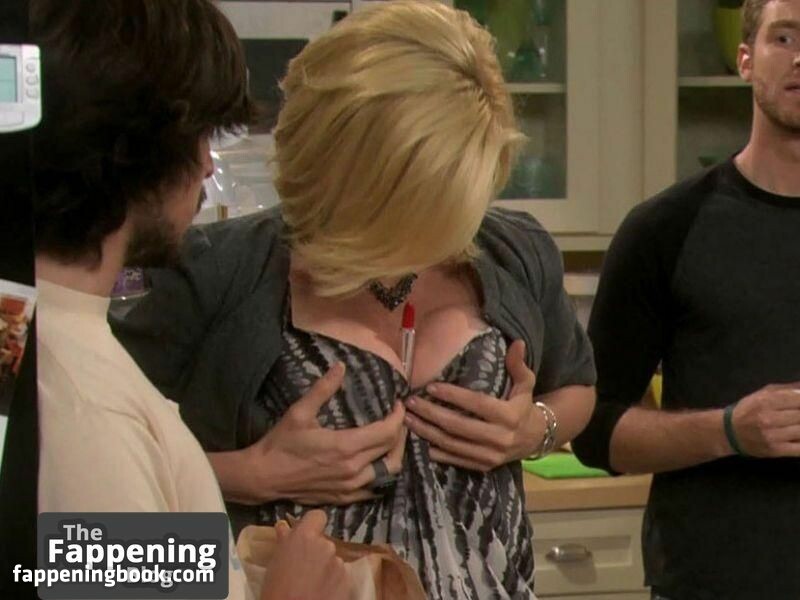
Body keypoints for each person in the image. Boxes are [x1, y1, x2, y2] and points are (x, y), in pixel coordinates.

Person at [111, 2, 596, 598]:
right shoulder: (212, 272)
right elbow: (83, 544)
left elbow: (578, 389)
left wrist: (534, 431)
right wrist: (250, 475)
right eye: (405, 203)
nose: (427, 235)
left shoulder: (514, 251)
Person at [31, 1, 350, 599]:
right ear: (137, 145)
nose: (207, 164)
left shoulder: (67, 349)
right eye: (200, 135)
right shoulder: (88, 412)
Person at [572, 1, 800, 599]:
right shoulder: (665, 228)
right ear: (746, 60)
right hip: (710, 582)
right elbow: (594, 430)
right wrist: (728, 431)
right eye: (784, 38)